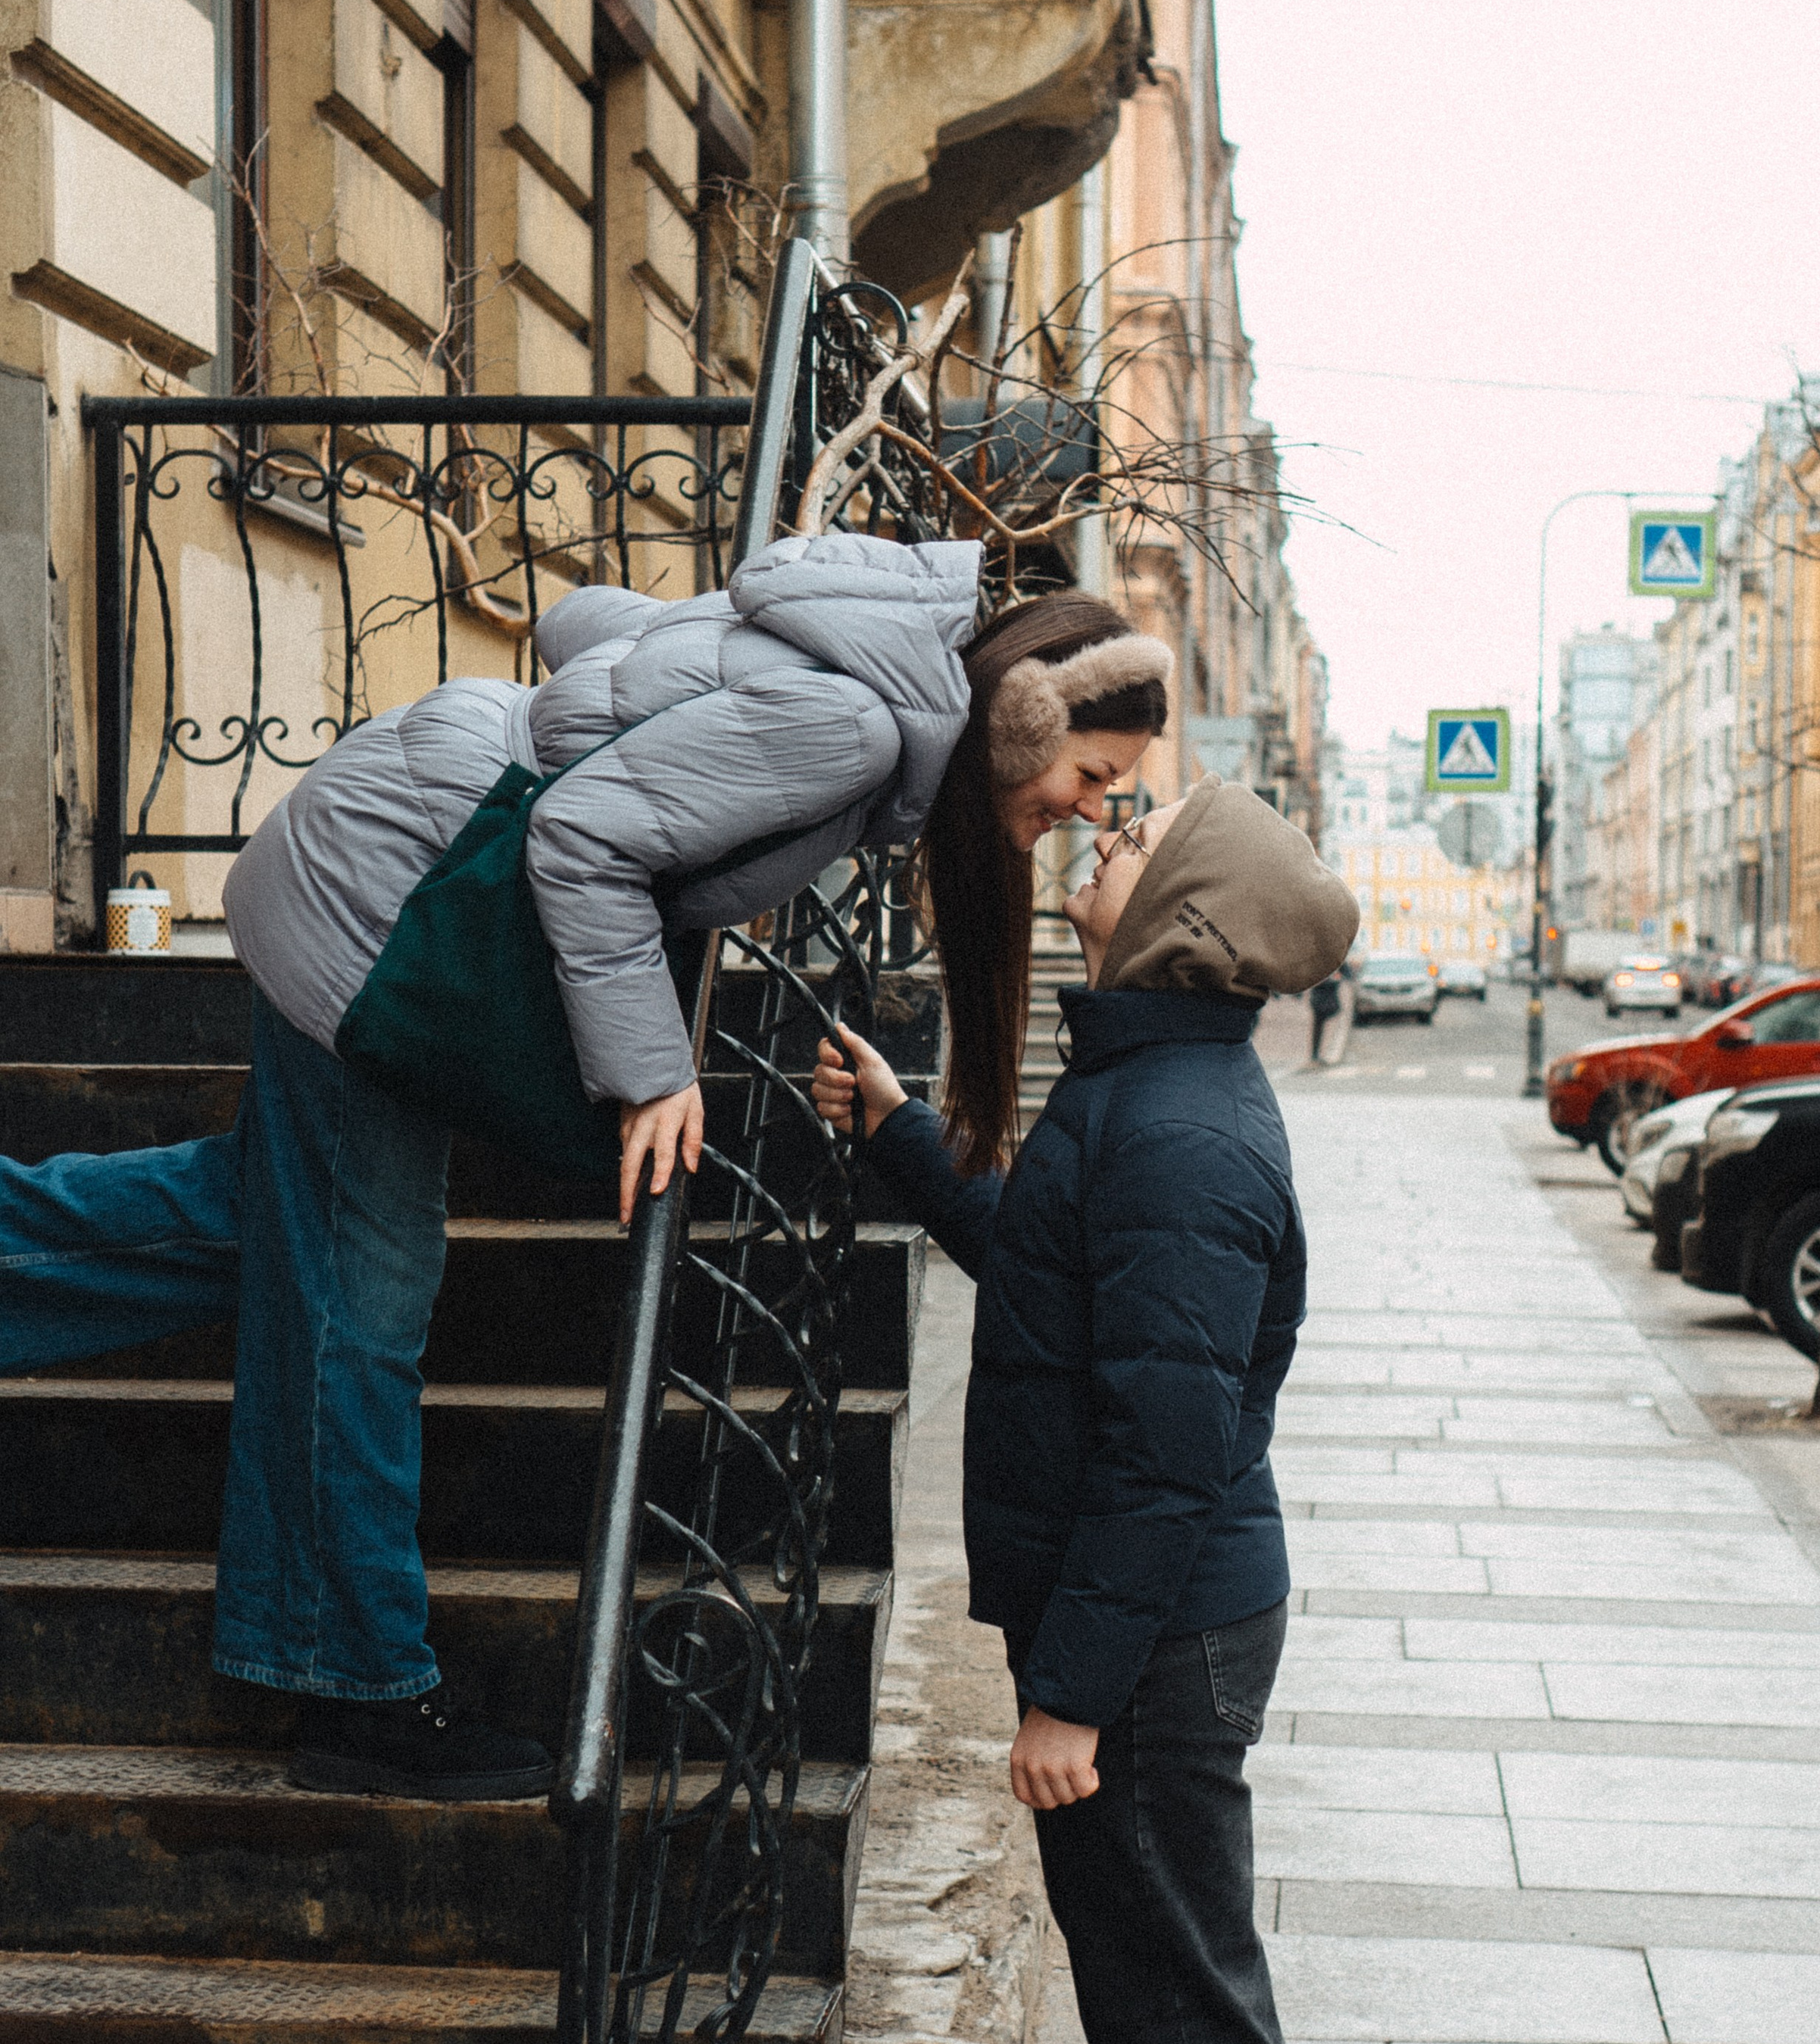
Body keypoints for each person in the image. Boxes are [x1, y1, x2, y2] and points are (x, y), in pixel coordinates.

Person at [0, 538, 1171, 1800]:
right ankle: (354, 1689)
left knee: (273, 1229)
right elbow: (579, 837)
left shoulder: (850, 663)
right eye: (1090, 772)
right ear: (1024, 718)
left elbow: (580, 624)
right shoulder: (858, 726)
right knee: (364, 1297)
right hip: (384, 905)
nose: (1088, 807)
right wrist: (655, 1072)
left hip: (387, 855)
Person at [812, 775, 1360, 2044]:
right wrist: (909, 1135)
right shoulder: (1138, 1085)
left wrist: (1066, 1695)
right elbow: (1049, 1278)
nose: (1095, 844)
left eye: (1128, 840)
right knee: (1131, 1985)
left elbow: (1167, 1450)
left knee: (1191, 2002)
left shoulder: (1185, 1132)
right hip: (1134, 1621)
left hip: (1158, 1637)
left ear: (1184, 913)